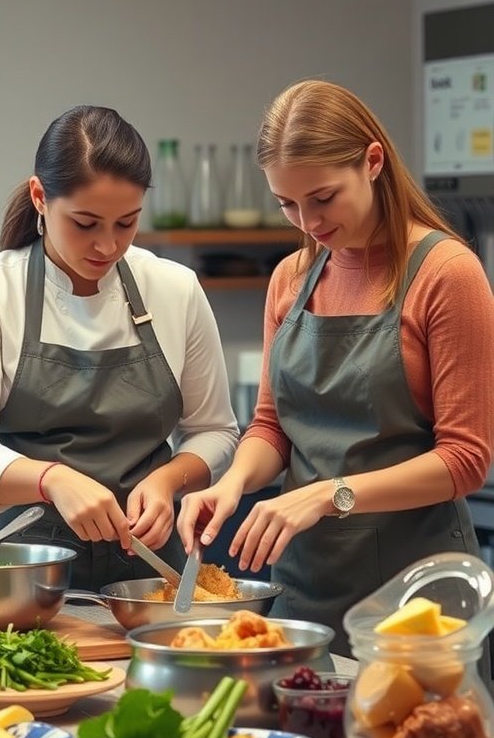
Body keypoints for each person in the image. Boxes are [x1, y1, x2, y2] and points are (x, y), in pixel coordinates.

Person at [177, 79, 494, 658]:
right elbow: (271, 426)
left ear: (372, 161)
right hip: (304, 585)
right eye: (287, 204)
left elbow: (465, 461)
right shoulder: (291, 278)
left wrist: (329, 495)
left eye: (322, 198)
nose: (307, 222)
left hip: (416, 599)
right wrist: (232, 484)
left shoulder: (447, 273)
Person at [0, 105, 239, 591]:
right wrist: (52, 479)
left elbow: (216, 431)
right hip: (18, 567)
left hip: (146, 566)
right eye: (85, 223)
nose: (107, 246)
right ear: (40, 197)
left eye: (127, 223)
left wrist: (168, 481)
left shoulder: (174, 289)